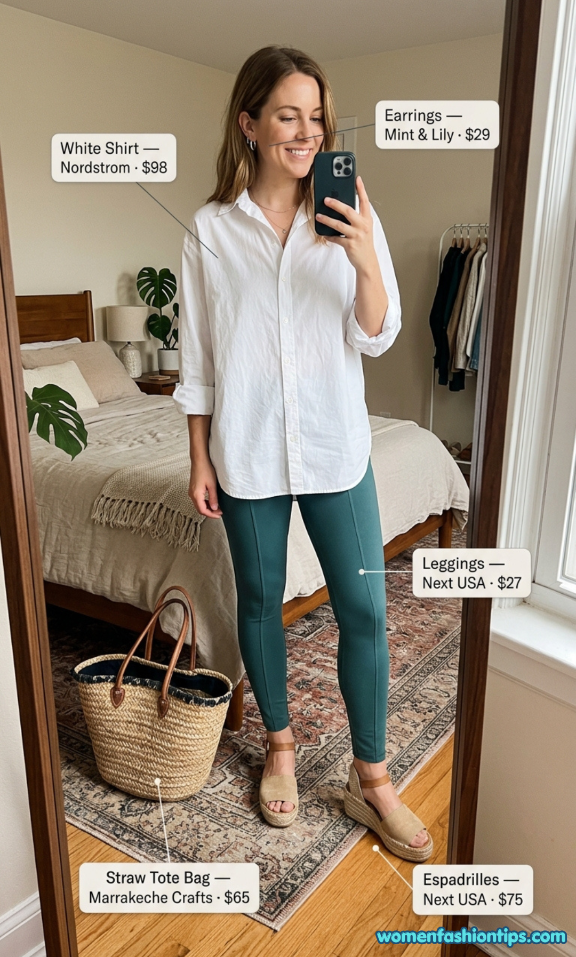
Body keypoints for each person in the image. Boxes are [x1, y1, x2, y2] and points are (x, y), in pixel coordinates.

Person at [173, 45, 432, 861]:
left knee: (366, 610)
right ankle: (279, 745)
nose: (307, 132)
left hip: (334, 448)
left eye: (316, 117)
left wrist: (361, 255)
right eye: (288, 115)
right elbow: (199, 360)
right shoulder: (211, 231)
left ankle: (372, 778)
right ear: (249, 124)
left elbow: (377, 333)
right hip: (247, 451)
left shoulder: (351, 210)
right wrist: (199, 458)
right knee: (258, 602)